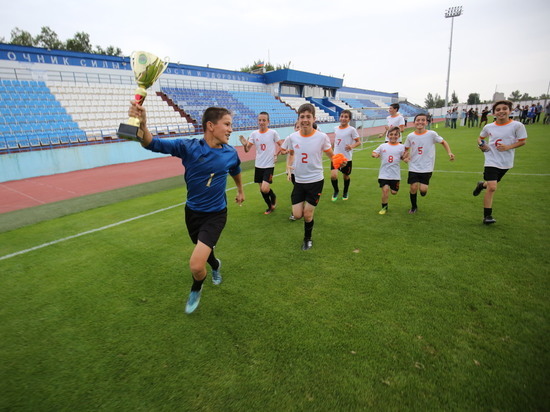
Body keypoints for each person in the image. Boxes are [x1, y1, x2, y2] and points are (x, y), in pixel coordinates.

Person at [127, 101, 245, 314]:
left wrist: (240, 190)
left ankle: (196, 288)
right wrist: (142, 124)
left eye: (230, 124)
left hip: (216, 214)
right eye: (226, 124)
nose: (230, 129)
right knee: (203, 249)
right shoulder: (189, 147)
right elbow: (151, 143)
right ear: (210, 125)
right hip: (192, 213)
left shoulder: (230, 153)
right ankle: (216, 265)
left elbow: (235, 170)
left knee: (196, 265)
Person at [285, 103, 343, 250]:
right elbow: (291, 153)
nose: (305, 120)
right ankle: (305, 207)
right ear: (298, 119)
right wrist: (288, 167)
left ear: (314, 119)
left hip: (315, 180)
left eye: (308, 117)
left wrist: (339, 162)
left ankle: (307, 239)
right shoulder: (292, 137)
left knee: (307, 214)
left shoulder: (321, 137)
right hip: (299, 180)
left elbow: (331, 155)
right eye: (302, 117)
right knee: (297, 215)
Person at [473, 100, 527, 224]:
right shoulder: (489, 127)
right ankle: (487, 216)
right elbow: (480, 138)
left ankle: (481, 185)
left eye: (504, 109)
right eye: (498, 110)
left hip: (506, 161)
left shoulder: (517, 126)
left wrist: (508, 147)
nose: (501, 111)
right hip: (491, 159)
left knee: (490, 185)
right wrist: (482, 145)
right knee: (492, 187)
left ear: (510, 111)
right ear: (494, 113)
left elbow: (522, 141)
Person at [404, 113, 455, 214]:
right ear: (414, 122)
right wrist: (405, 156)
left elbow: (443, 142)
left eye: (423, 120)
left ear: (427, 122)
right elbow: (406, 148)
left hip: (427, 167)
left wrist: (449, 152)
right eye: (418, 120)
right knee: (413, 187)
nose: (420, 122)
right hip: (413, 166)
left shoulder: (431, 134)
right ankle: (414, 207)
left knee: (423, 190)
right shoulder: (410, 136)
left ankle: (423, 191)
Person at [239, 112, 282, 214]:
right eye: (260, 120)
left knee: (265, 188)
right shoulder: (254, 134)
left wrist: (276, 154)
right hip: (258, 165)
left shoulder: (273, 133)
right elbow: (247, 150)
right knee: (262, 190)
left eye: (264, 120)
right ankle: (270, 206)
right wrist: (245, 144)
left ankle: (273, 196)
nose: (261, 122)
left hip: (269, 165)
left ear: (268, 122)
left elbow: (281, 145)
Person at [371, 126, 408, 214]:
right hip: (384, 174)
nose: (393, 136)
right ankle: (384, 208)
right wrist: (375, 155)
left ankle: (394, 190)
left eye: (395, 134)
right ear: (388, 135)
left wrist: (406, 159)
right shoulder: (383, 146)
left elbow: (404, 157)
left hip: (395, 174)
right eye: (391, 134)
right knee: (385, 190)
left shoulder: (401, 147)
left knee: (394, 192)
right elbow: (374, 152)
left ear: (399, 136)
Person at [331, 110, 360, 201]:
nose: (343, 118)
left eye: (346, 117)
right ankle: (336, 191)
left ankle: (345, 191)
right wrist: (331, 150)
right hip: (336, 157)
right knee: (333, 176)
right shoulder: (336, 128)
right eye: (342, 116)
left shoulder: (352, 130)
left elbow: (358, 142)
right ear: (339, 117)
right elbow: (336, 141)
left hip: (346, 158)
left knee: (345, 176)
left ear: (349, 119)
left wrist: (352, 146)